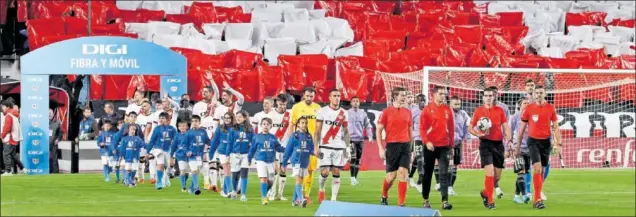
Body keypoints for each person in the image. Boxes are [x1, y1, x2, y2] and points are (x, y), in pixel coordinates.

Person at [515, 85, 561, 209]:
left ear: (545, 94)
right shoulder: (529, 109)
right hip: (533, 142)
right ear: (534, 94)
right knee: (537, 168)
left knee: (542, 171)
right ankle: (537, 200)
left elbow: (556, 127)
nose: (539, 95)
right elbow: (521, 130)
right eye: (537, 93)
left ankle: (538, 195)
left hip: (546, 142)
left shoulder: (551, 108)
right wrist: (517, 147)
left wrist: (558, 143)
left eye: (541, 92)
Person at [468, 87, 512, 210]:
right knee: (490, 172)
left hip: (498, 145)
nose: (488, 98)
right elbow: (470, 128)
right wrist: (478, 134)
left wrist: (509, 141)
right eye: (486, 95)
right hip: (485, 144)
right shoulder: (478, 111)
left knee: (497, 177)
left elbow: (506, 127)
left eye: (490, 96)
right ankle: (490, 201)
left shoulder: (500, 111)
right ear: (483, 97)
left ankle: (485, 193)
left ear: (494, 97)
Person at [418, 86, 455, 210]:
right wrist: (426, 141)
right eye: (441, 94)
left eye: (444, 94)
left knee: (444, 174)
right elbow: (422, 128)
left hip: (444, 146)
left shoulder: (447, 110)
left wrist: (451, 146)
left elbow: (451, 129)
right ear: (434, 95)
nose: (443, 96)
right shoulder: (427, 110)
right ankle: (425, 200)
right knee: (427, 174)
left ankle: (445, 201)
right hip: (430, 147)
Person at [377, 87, 413, 207]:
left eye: (405, 95)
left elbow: (410, 131)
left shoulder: (408, 112)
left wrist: (411, 148)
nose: (404, 97)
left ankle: (401, 204)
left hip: (405, 146)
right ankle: (384, 194)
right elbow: (378, 131)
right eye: (402, 95)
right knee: (391, 177)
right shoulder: (386, 112)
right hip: (392, 146)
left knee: (403, 173)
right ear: (395, 96)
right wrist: (381, 148)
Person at [314, 89, 350, 203]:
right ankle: (321, 189)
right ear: (329, 97)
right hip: (325, 146)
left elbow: (346, 132)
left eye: (339, 96)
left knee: (336, 171)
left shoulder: (344, 113)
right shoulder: (322, 111)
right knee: (324, 172)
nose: (337, 98)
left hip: (339, 146)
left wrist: (347, 148)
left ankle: (333, 199)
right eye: (334, 95)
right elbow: (317, 130)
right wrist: (316, 147)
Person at [256, 94, 292, 201]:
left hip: (285, 146)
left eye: (284, 104)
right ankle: (271, 192)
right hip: (273, 146)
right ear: (277, 103)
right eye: (280, 104)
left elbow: (292, 130)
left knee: (283, 170)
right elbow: (262, 130)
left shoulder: (289, 115)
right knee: (274, 170)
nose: (282, 106)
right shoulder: (270, 115)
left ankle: (280, 195)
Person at [290, 87, 321, 203]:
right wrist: (291, 141)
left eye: (311, 96)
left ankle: (305, 194)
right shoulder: (296, 107)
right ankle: (300, 195)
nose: (309, 98)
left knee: (310, 170)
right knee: (300, 170)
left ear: (314, 96)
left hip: (312, 143)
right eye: (307, 96)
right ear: (303, 95)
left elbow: (319, 129)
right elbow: (292, 124)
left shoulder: (318, 108)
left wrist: (318, 144)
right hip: (299, 143)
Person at [248, 117, 286, 205]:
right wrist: (249, 159)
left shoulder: (273, 137)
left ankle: (264, 192)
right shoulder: (256, 137)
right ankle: (264, 198)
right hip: (260, 160)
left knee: (271, 181)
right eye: (264, 124)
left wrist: (287, 150)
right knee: (263, 178)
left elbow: (278, 147)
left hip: (271, 161)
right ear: (261, 125)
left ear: (271, 126)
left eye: (268, 125)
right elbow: (252, 149)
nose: (266, 126)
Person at [282, 117, 314, 207]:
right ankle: (301, 199)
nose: (304, 124)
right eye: (302, 123)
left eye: (305, 123)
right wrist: (284, 163)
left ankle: (294, 201)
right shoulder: (294, 136)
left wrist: (316, 153)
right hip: (296, 161)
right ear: (298, 124)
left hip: (305, 162)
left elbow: (311, 149)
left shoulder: (309, 136)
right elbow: (288, 150)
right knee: (298, 180)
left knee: (301, 181)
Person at [192, 85, 219, 192]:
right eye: (203, 91)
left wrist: (212, 81)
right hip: (202, 134)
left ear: (211, 93)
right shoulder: (197, 105)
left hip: (213, 133)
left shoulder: (216, 105)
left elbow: (217, 92)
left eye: (206, 91)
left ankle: (213, 184)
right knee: (203, 159)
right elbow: (194, 121)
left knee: (212, 160)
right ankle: (207, 181)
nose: (203, 93)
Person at [487, 86, 510, 198]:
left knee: (498, 171)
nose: (493, 95)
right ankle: (493, 191)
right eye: (491, 93)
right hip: (487, 142)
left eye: (495, 93)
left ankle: (493, 187)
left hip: (500, 141)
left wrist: (508, 143)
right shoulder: (483, 108)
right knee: (490, 169)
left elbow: (507, 126)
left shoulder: (504, 107)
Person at [146, 112, 178, 190]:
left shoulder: (172, 129)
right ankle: (159, 182)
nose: (161, 120)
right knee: (160, 164)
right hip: (158, 149)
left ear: (167, 119)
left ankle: (166, 178)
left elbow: (176, 140)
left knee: (169, 165)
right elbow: (152, 141)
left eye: (163, 118)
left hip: (168, 150)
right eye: (160, 118)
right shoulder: (157, 129)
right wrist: (148, 151)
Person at [346, 96, 373, 186]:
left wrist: (370, 136)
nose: (355, 102)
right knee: (353, 158)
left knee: (358, 159)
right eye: (354, 101)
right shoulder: (347, 113)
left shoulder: (363, 113)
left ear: (359, 103)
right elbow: (343, 126)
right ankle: (352, 178)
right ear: (351, 103)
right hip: (351, 139)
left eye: (357, 101)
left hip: (360, 139)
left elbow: (368, 125)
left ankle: (355, 178)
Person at [228, 110, 254, 202]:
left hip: (245, 154)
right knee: (235, 175)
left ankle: (243, 194)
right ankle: (234, 191)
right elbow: (230, 143)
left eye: (240, 117)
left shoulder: (250, 129)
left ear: (245, 118)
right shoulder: (232, 129)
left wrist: (251, 155)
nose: (238, 118)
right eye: (237, 116)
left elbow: (253, 143)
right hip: (235, 154)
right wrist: (228, 154)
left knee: (244, 173)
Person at [209, 111, 236, 197]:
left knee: (229, 172)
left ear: (232, 119)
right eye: (225, 118)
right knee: (226, 170)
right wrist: (211, 152)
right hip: (222, 152)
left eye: (228, 118)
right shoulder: (220, 128)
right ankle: (229, 191)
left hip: (233, 152)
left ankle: (224, 191)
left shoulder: (236, 128)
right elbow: (215, 141)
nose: (227, 120)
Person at [510, 98, 531, 204]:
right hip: (518, 148)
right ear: (520, 105)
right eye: (524, 103)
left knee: (523, 173)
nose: (527, 104)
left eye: (528, 103)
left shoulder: (531, 116)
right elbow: (510, 131)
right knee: (521, 172)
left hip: (530, 148)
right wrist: (509, 146)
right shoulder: (515, 117)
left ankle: (516, 196)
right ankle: (525, 194)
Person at [449, 95, 470, 195]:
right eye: (455, 104)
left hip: (458, 143)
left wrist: (467, 137)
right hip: (447, 143)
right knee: (448, 164)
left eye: (459, 104)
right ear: (450, 103)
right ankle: (444, 185)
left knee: (455, 165)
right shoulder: (447, 113)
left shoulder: (463, 114)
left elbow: (467, 126)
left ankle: (450, 187)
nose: (457, 106)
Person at [184, 115, 209, 195]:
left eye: (196, 121)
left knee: (196, 172)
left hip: (200, 156)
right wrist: (187, 151)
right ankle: (196, 188)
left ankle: (191, 188)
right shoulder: (188, 133)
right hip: (192, 156)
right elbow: (184, 144)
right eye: (193, 121)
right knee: (194, 171)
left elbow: (208, 141)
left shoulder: (203, 131)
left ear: (199, 122)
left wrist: (214, 146)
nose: (194, 123)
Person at [135, 99, 154, 184]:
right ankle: (141, 178)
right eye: (142, 106)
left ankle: (152, 178)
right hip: (142, 142)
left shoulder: (154, 116)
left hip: (151, 142)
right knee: (141, 161)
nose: (143, 108)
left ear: (150, 106)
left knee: (152, 160)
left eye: (145, 106)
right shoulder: (139, 118)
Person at [406, 92, 421, 191]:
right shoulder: (402, 108)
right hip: (405, 137)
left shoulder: (417, 108)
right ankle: (407, 177)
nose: (410, 98)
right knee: (407, 157)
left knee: (417, 156)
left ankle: (410, 176)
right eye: (408, 97)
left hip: (415, 136)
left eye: (411, 96)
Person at [1, 99, 21, 175]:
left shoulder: (9, 116)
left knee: (5, 154)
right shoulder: (14, 115)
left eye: (3, 106)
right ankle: (22, 168)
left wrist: (2, 136)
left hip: (9, 138)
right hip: (14, 138)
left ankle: (8, 171)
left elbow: (7, 128)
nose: (2, 108)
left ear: (7, 107)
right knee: (13, 155)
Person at [170, 120, 189, 192]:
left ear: (187, 127)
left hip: (188, 156)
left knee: (187, 172)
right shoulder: (177, 136)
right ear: (178, 127)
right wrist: (171, 155)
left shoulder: (190, 135)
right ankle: (183, 187)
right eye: (180, 126)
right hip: (180, 155)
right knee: (182, 170)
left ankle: (184, 181)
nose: (182, 127)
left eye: (184, 126)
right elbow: (173, 146)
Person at [49, 108, 62, 174]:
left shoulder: (57, 122)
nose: (49, 114)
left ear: (53, 113)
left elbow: (60, 133)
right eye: (48, 113)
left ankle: (56, 173)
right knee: (46, 159)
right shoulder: (42, 122)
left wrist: (58, 139)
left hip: (53, 143)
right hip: (45, 143)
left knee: (54, 159)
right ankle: (48, 172)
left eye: (50, 113)